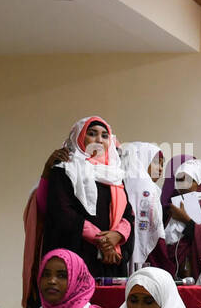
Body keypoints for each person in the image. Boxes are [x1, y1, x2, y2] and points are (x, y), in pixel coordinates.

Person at [40, 116, 135, 279]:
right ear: (79, 138)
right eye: (92, 134)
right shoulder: (64, 170)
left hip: (111, 258)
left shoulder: (115, 175)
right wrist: (102, 240)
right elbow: (62, 212)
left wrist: (116, 236)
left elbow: (127, 215)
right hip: (77, 253)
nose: (99, 139)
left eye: (105, 136)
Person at [149, 159, 201, 282]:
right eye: (179, 180)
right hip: (172, 268)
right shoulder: (172, 204)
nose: (182, 184)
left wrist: (187, 221)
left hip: (194, 269)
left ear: (200, 182)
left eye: (188, 180)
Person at [119, 141, 167, 270]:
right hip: (145, 255)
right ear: (141, 160)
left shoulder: (120, 181)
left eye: (163, 164)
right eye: (157, 162)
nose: (161, 168)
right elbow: (155, 227)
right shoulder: (146, 185)